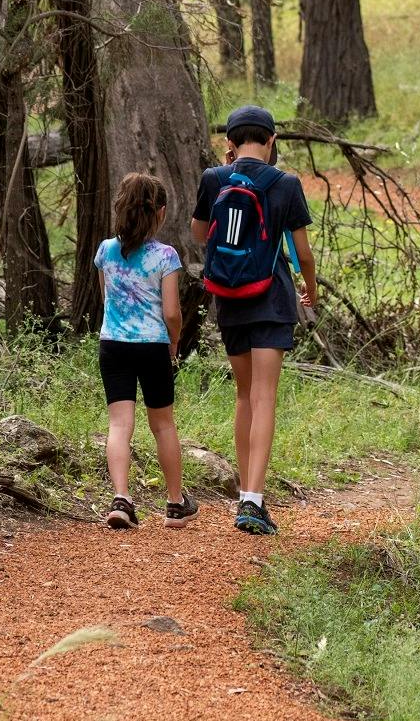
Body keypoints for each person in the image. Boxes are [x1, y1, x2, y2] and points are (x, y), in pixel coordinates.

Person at [193, 105, 316, 536]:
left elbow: (198, 233)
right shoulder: (285, 184)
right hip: (272, 298)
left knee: (244, 396)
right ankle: (252, 501)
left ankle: (245, 493)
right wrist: (311, 288)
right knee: (265, 397)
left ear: (230, 142)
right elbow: (302, 252)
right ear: (271, 140)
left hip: (229, 300)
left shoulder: (214, 179)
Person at [94, 172, 199, 530]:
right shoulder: (165, 256)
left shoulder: (105, 250)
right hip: (152, 347)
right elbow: (172, 311)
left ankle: (121, 499)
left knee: (119, 425)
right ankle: (174, 503)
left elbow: (106, 298)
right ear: (161, 213)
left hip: (113, 346)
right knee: (163, 425)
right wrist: (174, 340)